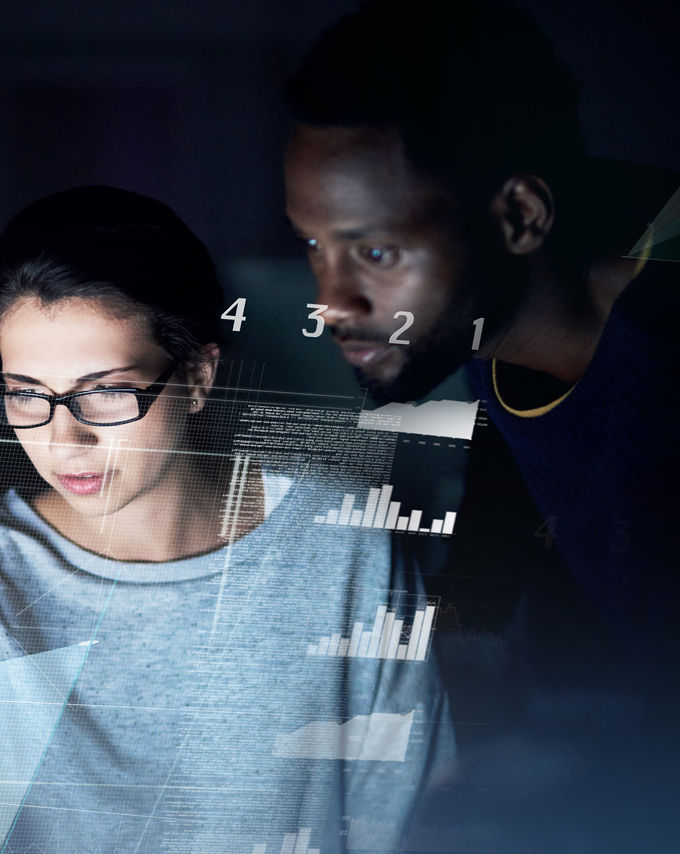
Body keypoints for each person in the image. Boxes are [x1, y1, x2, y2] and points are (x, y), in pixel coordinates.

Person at [0, 186, 454, 853]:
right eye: (28, 397)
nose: (65, 442)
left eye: (107, 393)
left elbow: (414, 817)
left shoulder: (341, 542)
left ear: (200, 376)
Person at [282, 0, 679, 848]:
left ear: (520, 218)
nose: (330, 302)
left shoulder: (659, 365)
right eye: (314, 246)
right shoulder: (495, 331)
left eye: (375, 253)